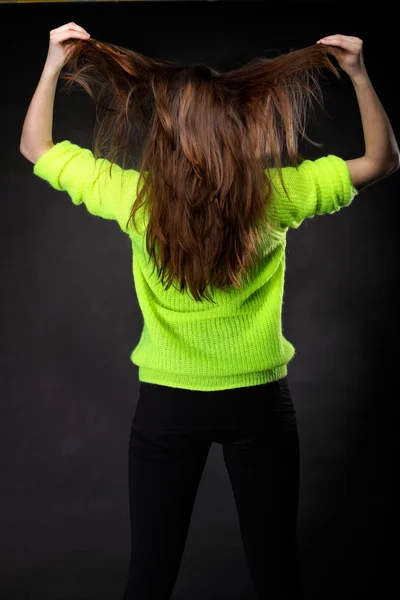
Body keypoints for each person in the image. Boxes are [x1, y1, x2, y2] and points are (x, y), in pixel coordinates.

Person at [20, 23, 399, 600]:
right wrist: (359, 73)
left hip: (167, 406)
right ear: (235, 130)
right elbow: (383, 161)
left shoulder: (135, 198)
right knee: (277, 574)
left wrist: (52, 64)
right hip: (259, 406)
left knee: (149, 576)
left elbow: (35, 149)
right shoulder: (275, 195)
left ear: (167, 134)